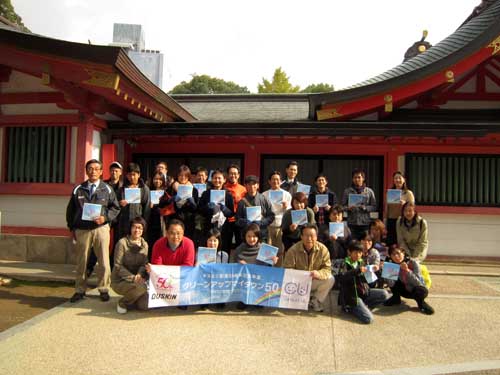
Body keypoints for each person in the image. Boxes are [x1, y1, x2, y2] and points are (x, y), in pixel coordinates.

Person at [66, 159, 120, 303]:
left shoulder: (107, 189)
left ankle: (103, 288)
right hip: (82, 230)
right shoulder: (79, 189)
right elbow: (70, 211)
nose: (93, 171)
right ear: (86, 171)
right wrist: (73, 228)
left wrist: (105, 218)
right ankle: (79, 290)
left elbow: (115, 208)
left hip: (101, 229)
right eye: (90, 168)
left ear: (101, 172)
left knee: (103, 260)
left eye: (96, 169)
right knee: (81, 261)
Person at [283, 224, 334, 312]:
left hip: (314, 279)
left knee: (331, 279)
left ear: (316, 237)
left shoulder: (323, 249)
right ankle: (301, 298)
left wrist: (318, 274)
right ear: (301, 237)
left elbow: (327, 269)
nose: (309, 238)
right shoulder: (292, 250)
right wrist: (301, 276)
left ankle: (315, 300)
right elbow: (287, 270)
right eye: (306, 235)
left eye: (312, 236)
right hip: (297, 283)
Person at [336, 240, 389, 324]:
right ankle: (350, 308)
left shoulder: (361, 262)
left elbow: (369, 281)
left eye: (360, 253)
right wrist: (357, 271)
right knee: (369, 319)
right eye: (355, 252)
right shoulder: (344, 263)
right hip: (352, 297)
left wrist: (373, 271)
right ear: (349, 252)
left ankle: (363, 306)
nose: (358, 255)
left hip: (364, 292)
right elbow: (342, 278)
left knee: (384, 294)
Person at [111, 217, 149, 314]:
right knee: (141, 288)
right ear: (130, 228)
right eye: (134, 227)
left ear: (143, 229)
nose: (137, 230)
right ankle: (122, 302)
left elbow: (144, 264)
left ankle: (132, 298)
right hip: (120, 280)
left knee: (144, 306)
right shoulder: (122, 243)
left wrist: (140, 275)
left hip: (138, 279)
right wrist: (133, 278)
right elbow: (117, 266)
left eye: (140, 228)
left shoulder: (145, 245)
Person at [383, 245, 434, 315]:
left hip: (417, 290)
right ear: (390, 256)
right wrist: (387, 272)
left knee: (420, 291)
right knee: (395, 283)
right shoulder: (392, 265)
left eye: (398, 253)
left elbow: (418, 283)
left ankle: (421, 303)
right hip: (404, 291)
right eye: (393, 254)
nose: (396, 256)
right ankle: (396, 298)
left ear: (403, 253)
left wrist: (407, 270)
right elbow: (391, 285)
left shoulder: (413, 263)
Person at [198, 169, 235, 252]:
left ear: (224, 180)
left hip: (224, 228)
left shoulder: (228, 194)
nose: (217, 180)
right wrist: (207, 207)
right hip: (209, 226)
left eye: (219, 178)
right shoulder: (206, 193)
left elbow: (231, 213)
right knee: (208, 249)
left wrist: (224, 209)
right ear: (211, 179)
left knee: (223, 249)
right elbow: (199, 210)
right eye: (215, 178)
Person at [262, 171, 292, 266]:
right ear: (269, 181)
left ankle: (278, 271)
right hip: (268, 226)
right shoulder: (264, 195)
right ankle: (267, 271)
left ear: (281, 181)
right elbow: (261, 212)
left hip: (280, 226)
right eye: (273, 179)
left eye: (277, 179)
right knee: (268, 251)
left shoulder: (286, 194)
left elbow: (290, 212)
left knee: (280, 251)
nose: (275, 181)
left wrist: (286, 207)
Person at [117, 163, 151, 241]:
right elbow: (115, 206)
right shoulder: (121, 189)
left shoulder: (144, 189)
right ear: (126, 175)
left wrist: (143, 223)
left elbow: (147, 208)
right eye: (129, 175)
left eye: (134, 174)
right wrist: (120, 204)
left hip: (138, 225)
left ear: (139, 175)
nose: (132, 177)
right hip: (124, 224)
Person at [236, 175, 275, 243]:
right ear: (245, 186)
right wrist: (245, 222)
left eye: (254, 184)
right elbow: (237, 219)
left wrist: (261, 222)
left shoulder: (264, 199)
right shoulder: (242, 202)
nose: (252, 186)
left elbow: (271, 216)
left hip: (262, 235)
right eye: (249, 184)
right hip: (247, 237)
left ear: (258, 185)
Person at [341, 168, 377, 240]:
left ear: (363, 178)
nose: (357, 179)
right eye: (355, 177)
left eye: (359, 177)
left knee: (365, 242)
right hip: (352, 223)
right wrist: (348, 208)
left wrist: (365, 208)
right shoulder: (347, 191)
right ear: (352, 179)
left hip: (365, 223)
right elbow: (342, 206)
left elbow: (374, 206)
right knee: (352, 243)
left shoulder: (369, 191)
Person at [386, 171, 415, 245]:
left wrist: (405, 204)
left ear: (404, 180)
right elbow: (387, 208)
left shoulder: (408, 193)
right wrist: (385, 220)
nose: (397, 180)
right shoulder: (390, 192)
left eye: (399, 178)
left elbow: (412, 207)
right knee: (391, 241)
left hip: (403, 220)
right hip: (391, 220)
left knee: (402, 240)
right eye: (395, 178)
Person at [223, 164, 247, 252]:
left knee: (240, 243)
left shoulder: (243, 189)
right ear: (227, 175)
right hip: (226, 220)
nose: (233, 175)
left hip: (239, 220)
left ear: (239, 175)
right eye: (231, 173)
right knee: (225, 244)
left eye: (235, 173)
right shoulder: (223, 187)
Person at [171, 165, 198, 239]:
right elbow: (164, 203)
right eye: (180, 175)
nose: (183, 177)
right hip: (175, 220)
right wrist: (172, 199)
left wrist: (192, 203)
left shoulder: (194, 190)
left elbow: (196, 208)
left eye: (185, 176)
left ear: (188, 176)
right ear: (177, 176)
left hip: (189, 221)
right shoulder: (172, 188)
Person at [147, 172, 167, 257]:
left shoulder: (166, 193)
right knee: (151, 244)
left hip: (161, 222)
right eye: (155, 179)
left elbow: (169, 208)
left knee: (162, 243)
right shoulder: (148, 191)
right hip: (150, 222)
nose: (157, 181)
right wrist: (149, 206)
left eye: (160, 179)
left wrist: (162, 209)